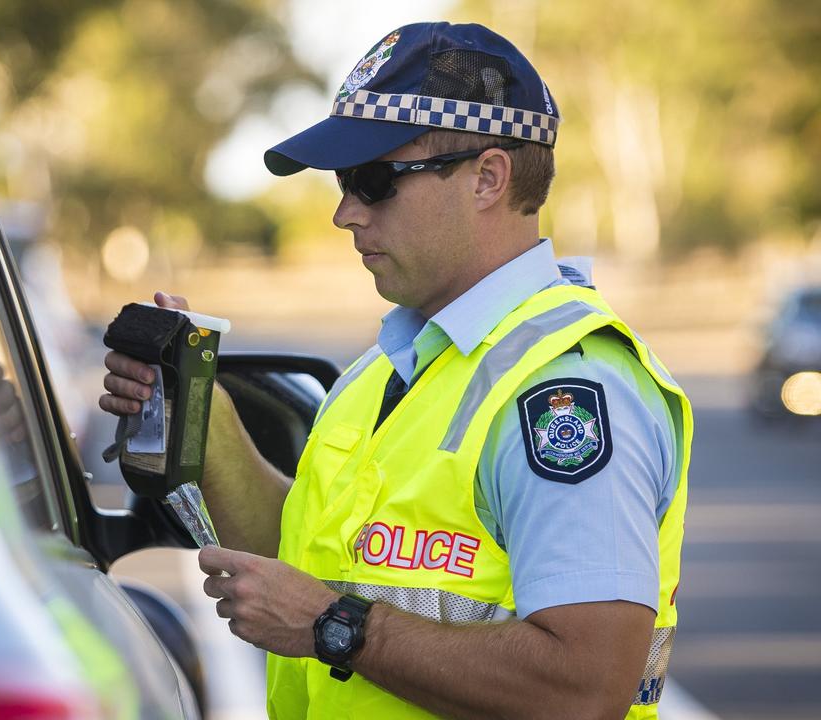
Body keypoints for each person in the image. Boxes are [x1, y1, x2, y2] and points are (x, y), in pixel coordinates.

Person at [100, 22, 690, 720]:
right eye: (345, 182)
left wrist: (333, 625)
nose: (345, 213)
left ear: (489, 178)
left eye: (375, 180)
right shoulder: (388, 364)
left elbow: (585, 686)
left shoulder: (562, 394)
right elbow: (307, 562)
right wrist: (202, 417)